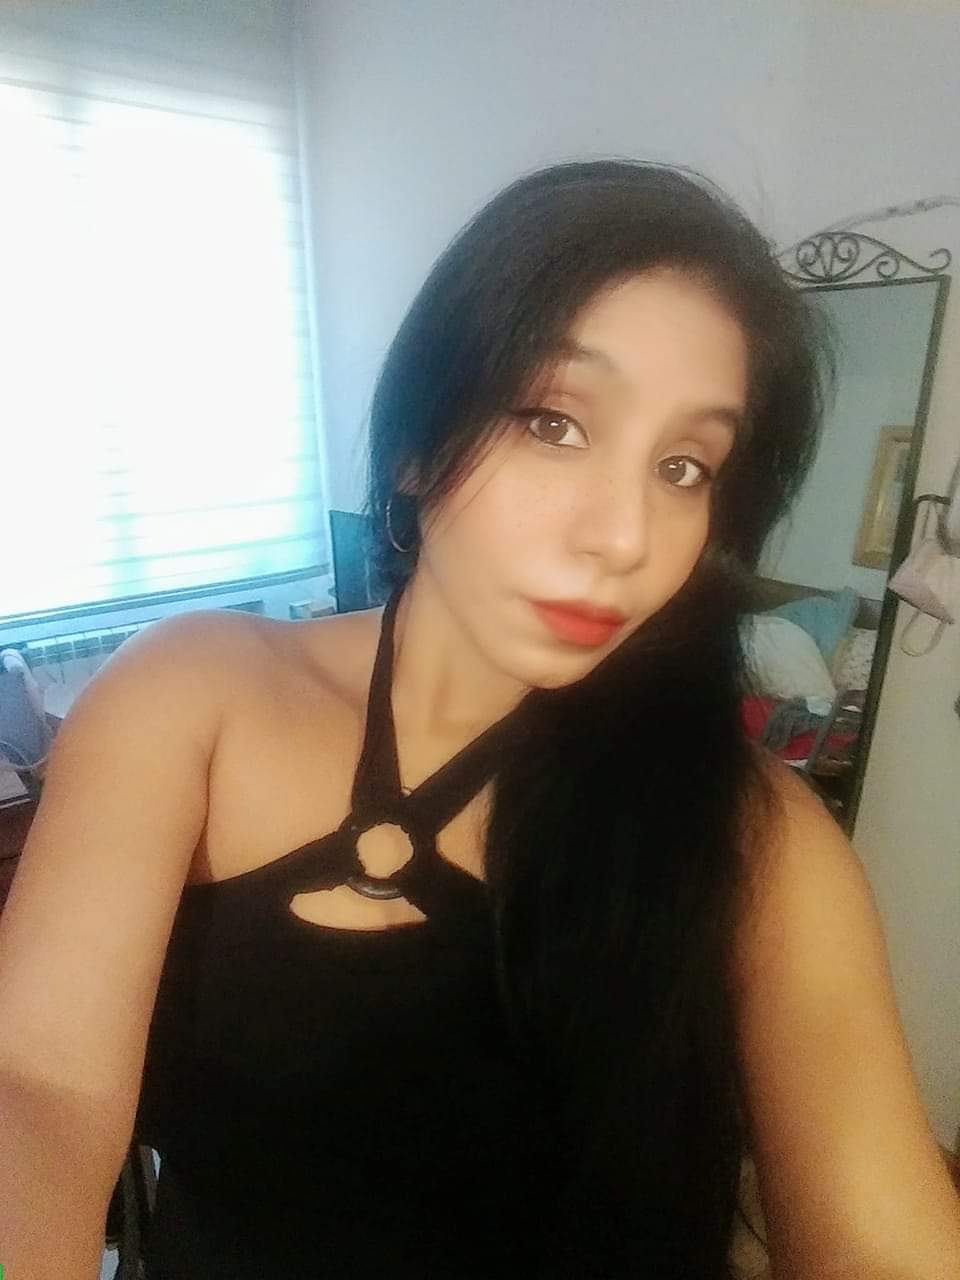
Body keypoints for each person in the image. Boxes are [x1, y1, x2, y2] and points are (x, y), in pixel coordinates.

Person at [1, 160, 958, 1280]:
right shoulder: (195, 691)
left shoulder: (757, 831)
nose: (623, 536)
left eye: (684, 466)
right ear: (417, 443)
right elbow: (38, 1084)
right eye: (555, 422)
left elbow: (883, 1235)